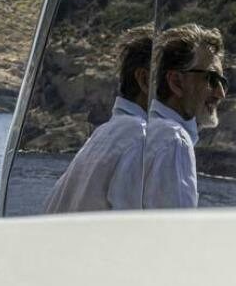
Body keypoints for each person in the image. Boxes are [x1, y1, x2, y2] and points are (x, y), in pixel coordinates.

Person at [43, 26, 153, 213]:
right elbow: (133, 234)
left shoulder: (103, 134)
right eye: (175, 79)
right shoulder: (140, 139)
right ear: (144, 80)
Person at [145, 23, 227, 208]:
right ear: (176, 82)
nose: (221, 93)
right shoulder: (174, 141)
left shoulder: (145, 131)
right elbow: (175, 232)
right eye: (212, 79)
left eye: (223, 82)